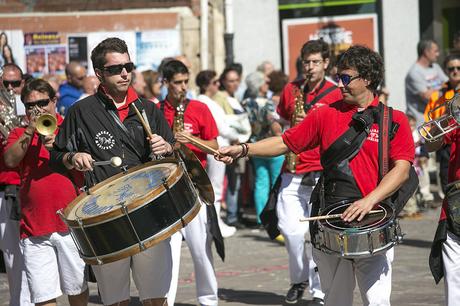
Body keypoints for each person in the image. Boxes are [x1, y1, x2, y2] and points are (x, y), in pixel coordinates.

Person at [216, 45, 414, 306]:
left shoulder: (394, 119)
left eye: (346, 78)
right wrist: (244, 149)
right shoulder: (325, 114)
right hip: (331, 219)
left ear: (367, 78)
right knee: (335, 301)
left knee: (377, 302)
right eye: (339, 77)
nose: (340, 84)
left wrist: (369, 200)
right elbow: (286, 142)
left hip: (374, 219)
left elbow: (402, 170)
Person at [49, 37, 176, 306]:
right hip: (105, 214)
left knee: (156, 298)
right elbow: (56, 155)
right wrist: (74, 156)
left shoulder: (147, 109)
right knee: (115, 300)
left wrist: (166, 146)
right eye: (116, 68)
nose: (124, 73)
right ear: (99, 74)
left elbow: (173, 157)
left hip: (148, 210)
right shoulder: (80, 111)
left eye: (128, 66)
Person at [4, 78, 88, 306]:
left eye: (42, 102)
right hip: (34, 226)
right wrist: (30, 131)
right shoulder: (19, 133)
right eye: (30, 105)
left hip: (69, 223)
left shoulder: (70, 127)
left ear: (54, 100)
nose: (37, 109)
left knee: (77, 289)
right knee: (43, 296)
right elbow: (10, 160)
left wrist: (60, 146)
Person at [274, 39, 342, 305]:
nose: (310, 67)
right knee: (290, 231)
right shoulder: (291, 90)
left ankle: (319, 290)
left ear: (326, 64)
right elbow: (277, 123)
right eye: (306, 62)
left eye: (315, 62)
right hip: (292, 168)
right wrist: (290, 126)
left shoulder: (336, 94)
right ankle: (299, 279)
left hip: (320, 170)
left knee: (317, 235)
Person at [158, 60, 222, 306]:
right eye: (177, 83)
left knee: (201, 249)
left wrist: (191, 138)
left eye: (186, 82)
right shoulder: (155, 110)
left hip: (194, 185)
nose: (183, 87)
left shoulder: (199, 108)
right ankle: (165, 301)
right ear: (165, 83)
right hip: (166, 188)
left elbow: (214, 145)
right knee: (167, 252)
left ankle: (208, 300)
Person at [425, 82, 460, 306]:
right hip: (456, 199)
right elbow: (430, 145)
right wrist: (443, 122)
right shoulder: (456, 115)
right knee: (454, 274)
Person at [0, 63, 32, 306]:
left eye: (15, 83)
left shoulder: (32, 107)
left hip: (32, 189)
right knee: (13, 256)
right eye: (6, 83)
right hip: (7, 188)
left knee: (35, 253)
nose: (11, 88)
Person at [196, 69, 240, 238]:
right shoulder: (206, 103)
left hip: (215, 146)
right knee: (216, 187)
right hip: (218, 146)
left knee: (213, 187)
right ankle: (215, 224)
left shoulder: (204, 101)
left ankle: (213, 222)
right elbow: (220, 127)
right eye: (215, 82)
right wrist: (237, 136)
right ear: (207, 85)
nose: (218, 85)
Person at [242, 71, 284, 224]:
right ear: (260, 86)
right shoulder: (268, 104)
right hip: (271, 145)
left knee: (260, 182)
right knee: (276, 181)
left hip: (255, 146)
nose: (268, 84)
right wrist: (280, 134)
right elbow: (274, 123)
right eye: (265, 82)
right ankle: (276, 215)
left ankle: (261, 218)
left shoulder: (246, 103)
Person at [424, 53, 460, 195]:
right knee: (446, 179)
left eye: (458, 67)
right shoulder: (438, 94)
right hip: (445, 139)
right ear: (446, 71)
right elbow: (429, 118)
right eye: (451, 69)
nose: (455, 71)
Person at [405, 39, 448, 125]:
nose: (438, 54)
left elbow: (449, 85)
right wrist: (442, 87)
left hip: (437, 120)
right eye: (435, 51)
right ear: (426, 52)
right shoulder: (414, 73)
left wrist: (432, 89)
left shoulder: (435, 67)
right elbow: (429, 98)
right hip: (422, 124)